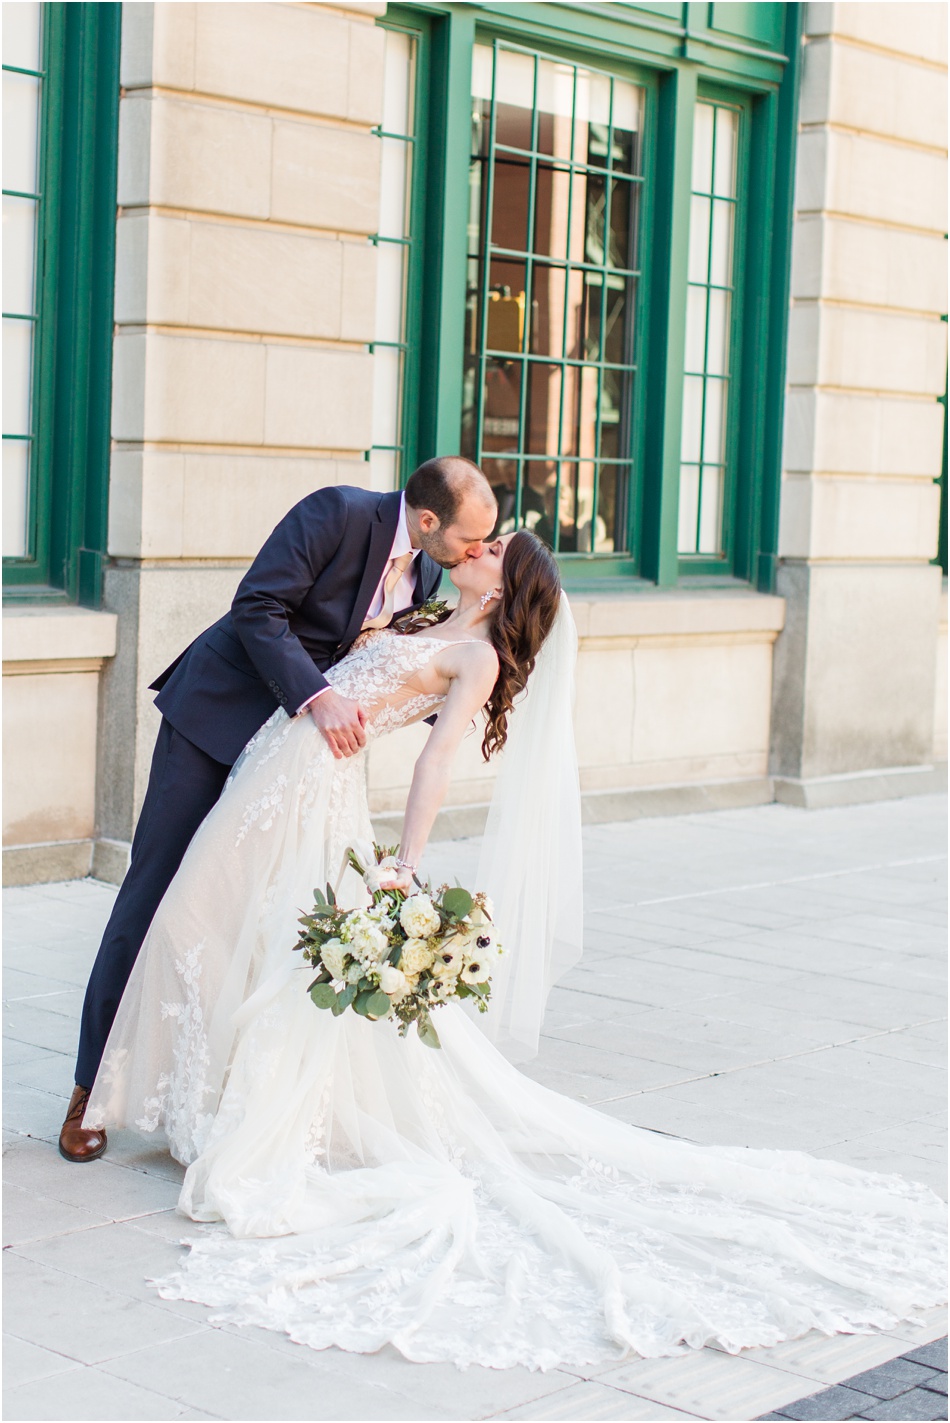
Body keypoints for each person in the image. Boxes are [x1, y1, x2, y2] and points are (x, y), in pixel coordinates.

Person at [84, 529, 945, 1372]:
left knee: (196, 921)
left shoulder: (478, 659)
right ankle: (198, 1099)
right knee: (214, 929)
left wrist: (404, 866)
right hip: (275, 764)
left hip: (311, 789)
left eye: (495, 551)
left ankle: (217, 1113)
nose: (476, 549)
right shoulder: (421, 618)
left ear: (502, 588)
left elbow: (436, 762)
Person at [60, 457, 499, 1163]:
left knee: (248, 920)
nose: (477, 550)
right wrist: (315, 696)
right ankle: (89, 1089)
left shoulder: (424, 575)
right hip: (216, 722)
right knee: (155, 895)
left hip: (291, 763)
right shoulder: (336, 512)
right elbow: (257, 606)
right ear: (426, 520)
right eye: (472, 538)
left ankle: (200, 1084)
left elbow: (393, 671)